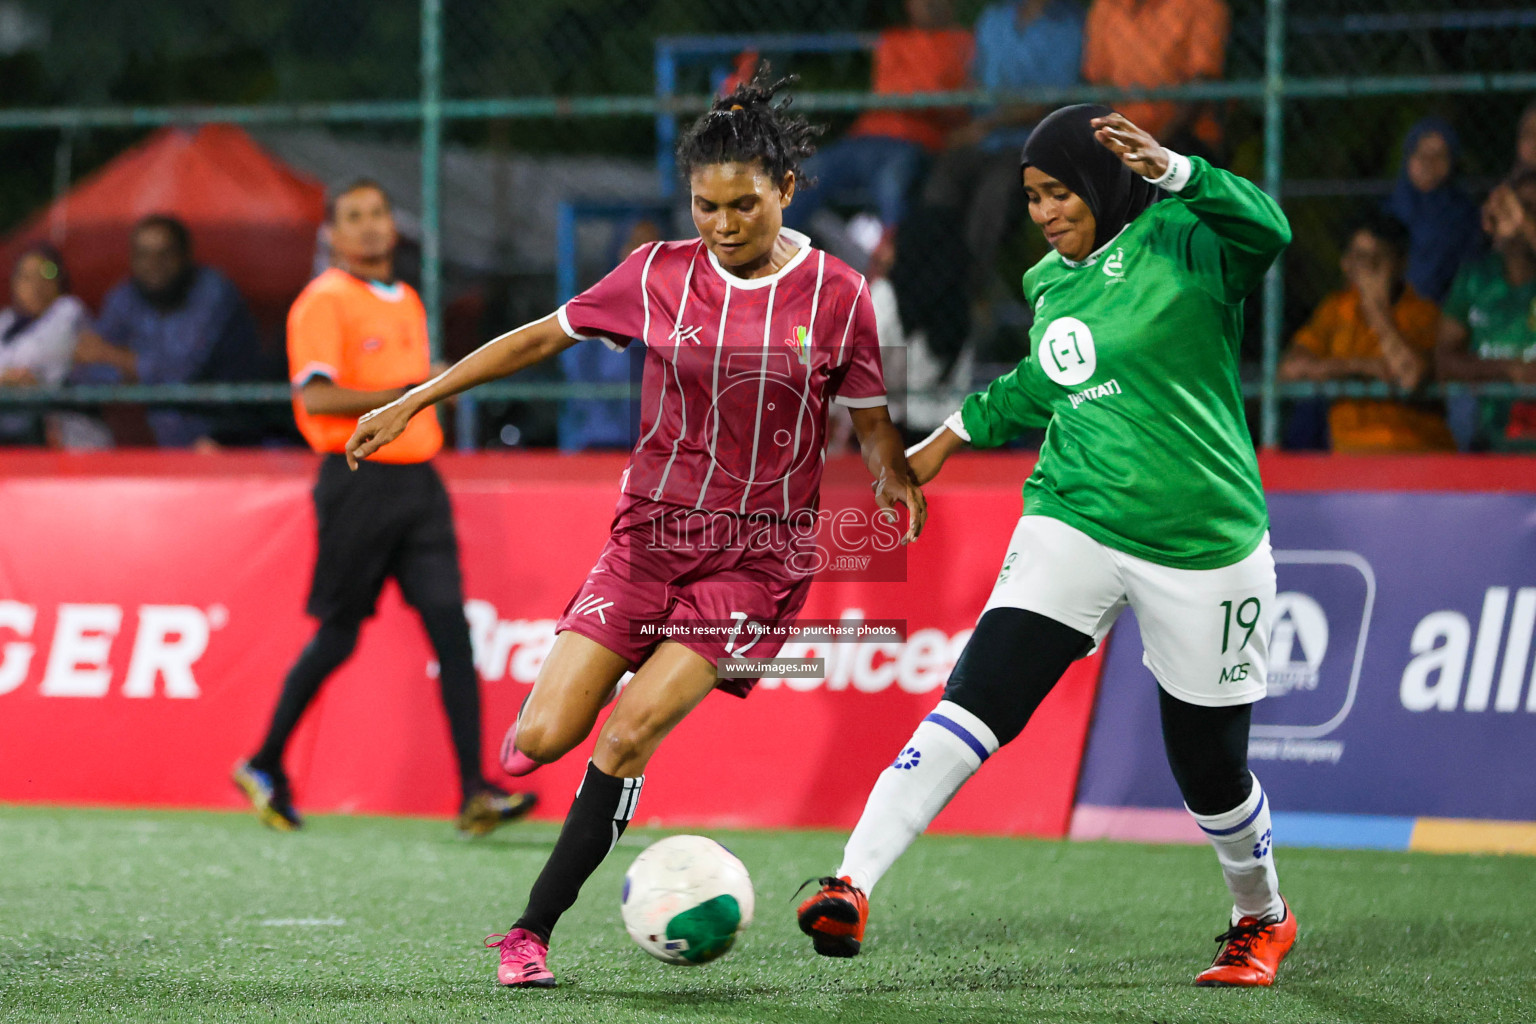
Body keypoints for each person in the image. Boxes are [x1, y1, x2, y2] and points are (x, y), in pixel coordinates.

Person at [345, 74, 926, 989]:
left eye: (744, 205)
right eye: (706, 206)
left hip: (758, 560)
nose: (724, 225)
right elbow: (538, 338)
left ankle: (529, 931)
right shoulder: (656, 272)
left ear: (786, 190)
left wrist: (892, 471)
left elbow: (869, 419)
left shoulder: (841, 294)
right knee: (544, 740)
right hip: (648, 540)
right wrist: (414, 397)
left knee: (625, 737)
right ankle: (569, 744)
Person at [798, 104, 1298, 989]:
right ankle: (850, 882)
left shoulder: (1188, 239)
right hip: (1075, 514)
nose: (1045, 212)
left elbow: (1271, 227)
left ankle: (1261, 915)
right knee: (980, 691)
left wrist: (1178, 170)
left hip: (1205, 542)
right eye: (1032, 197)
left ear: (1107, 184)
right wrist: (946, 439)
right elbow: (1048, 377)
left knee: (1210, 771)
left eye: (1060, 191)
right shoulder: (1048, 282)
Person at [231, 179, 537, 838]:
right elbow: (315, 400)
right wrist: (413, 390)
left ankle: (474, 792)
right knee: (338, 635)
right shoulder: (323, 301)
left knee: (454, 635)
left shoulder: (407, 298)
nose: (370, 227)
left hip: (420, 485)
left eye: (377, 214)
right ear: (333, 237)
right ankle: (263, 762)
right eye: (354, 218)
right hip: (358, 481)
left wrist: (424, 392)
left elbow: (411, 388)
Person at [919, 0, 1085, 299]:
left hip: (1030, 145)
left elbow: (1050, 102)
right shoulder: (993, 19)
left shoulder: (1069, 27)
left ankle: (968, 293)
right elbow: (972, 83)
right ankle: (930, 285)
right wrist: (958, 124)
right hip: (981, 138)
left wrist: (990, 124)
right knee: (939, 183)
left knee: (994, 194)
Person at [68, 214, 263, 448]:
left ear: (185, 255)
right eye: (143, 254)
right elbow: (86, 373)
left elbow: (181, 371)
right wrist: (134, 369)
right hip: (147, 443)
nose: (153, 263)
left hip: (228, 434)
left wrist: (114, 357)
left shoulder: (212, 291)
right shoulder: (125, 295)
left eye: (164, 253)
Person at [783, 0, 973, 238]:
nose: (928, 5)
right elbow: (889, 91)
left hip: (916, 142)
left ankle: (887, 263)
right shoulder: (893, 39)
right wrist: (923, 94)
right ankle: (774, 254)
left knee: (892, 183)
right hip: (866, 137)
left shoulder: (964, 43)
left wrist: (916, 96)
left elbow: (957, 106)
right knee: (804, 174)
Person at [1279, 211, 1454, 452]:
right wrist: (1363, 367)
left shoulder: (1423, 313)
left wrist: (1377, 310)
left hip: (1416, 455)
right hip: (1351, 458)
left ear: (1401, 263)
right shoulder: (1336, 310)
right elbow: (1290, 370)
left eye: (1378, 258)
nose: (1367, 268)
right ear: (1346, 263)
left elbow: (1411, 376)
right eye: (1360, 257)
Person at [1436, 168, 1536, 450]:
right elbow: (1445, 360)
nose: (1520, 217)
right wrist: (1511, 370)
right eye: (1519, 206)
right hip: (1490, 429)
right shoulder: (1475, 278)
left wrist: (1525, 222)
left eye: (1533, 209)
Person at [1082, 0, 1229, 161]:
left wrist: (1154, 145)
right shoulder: (1107, 5)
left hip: (1184, 138)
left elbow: (1201, 83)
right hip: (1120, 135)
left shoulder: (1201, 5)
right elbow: (1098, 79)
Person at [0, 244, 95, 444]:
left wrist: (11, 377)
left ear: (60, 281)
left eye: (46, 274)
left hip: (62, 435)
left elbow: (33, 367)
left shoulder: (69, 311)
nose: (36, 284)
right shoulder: (6, 320)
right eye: (26, 277)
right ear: (14, 283)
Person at [1383, 117, 1481, 305]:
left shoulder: (1464, 216)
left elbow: (1469, 272)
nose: (1429, 163)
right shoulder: (1387, 212)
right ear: (1408, 158)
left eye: (1439, 155)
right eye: (1421, 154)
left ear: (1452, 162)